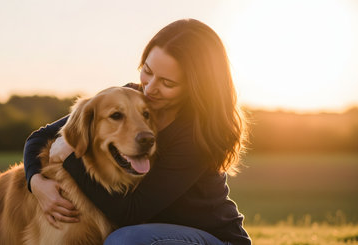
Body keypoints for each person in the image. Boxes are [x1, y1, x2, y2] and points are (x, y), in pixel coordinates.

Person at [24, 18, 251, 245]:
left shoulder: (195, 134)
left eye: (167, 83)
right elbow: (39, 137)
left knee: (124, 241)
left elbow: (130, 213)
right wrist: (36, 183)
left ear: (196, 86)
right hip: (156, 234)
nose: (150, 88)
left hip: (213, 239)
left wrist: (70, 156)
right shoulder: (131, 96)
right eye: (147, 71)